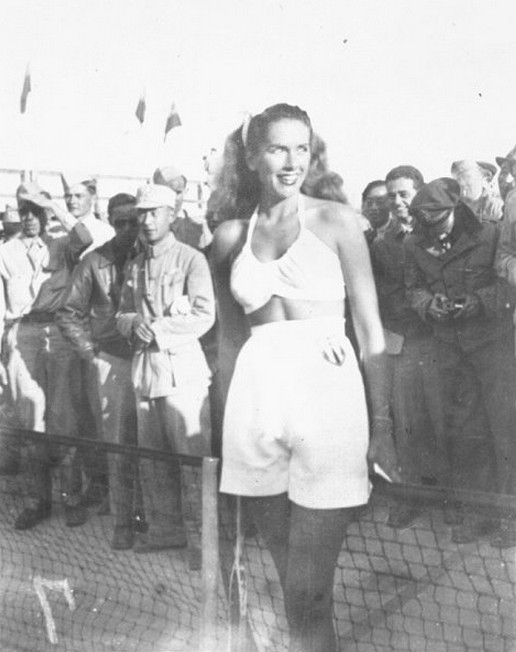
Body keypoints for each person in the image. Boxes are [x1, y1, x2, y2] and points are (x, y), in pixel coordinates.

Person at [211, 103, 399, 652]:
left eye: (301, 148)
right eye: (277, 148)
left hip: (328, 401)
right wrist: (224, 424)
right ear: (251, 157)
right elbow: (228, 339)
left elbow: (372, 335)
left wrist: (382, 425)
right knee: (292, 581)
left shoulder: (338, 222)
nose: (292, 161)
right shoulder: (227, 237)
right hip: (255, 404)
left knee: (307, 587)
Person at [404, 178, 516, 547]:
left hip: (494, 346)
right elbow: (413, 287)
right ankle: (480, 515)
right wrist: (427, 304)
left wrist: (478, 302)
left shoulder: (490, 234)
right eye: (425, 221)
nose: (432, 228)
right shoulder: (413, 242)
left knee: (506, 431)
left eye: (439, 219)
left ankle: (510, 518)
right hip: (450, 348)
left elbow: (507, 286)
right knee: (468, 434)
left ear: (455, 211)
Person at [116, 183, 215, 570]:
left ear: (172, 215)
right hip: (146, 374)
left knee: (193, 461)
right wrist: (131, 324)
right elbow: (122, 311)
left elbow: (205, 315)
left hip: (183, 376)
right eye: (142, 212)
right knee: (153, 460)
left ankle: (203, 540)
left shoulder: (191, 259)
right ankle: (166, 529)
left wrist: (155, 330)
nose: (146, 220)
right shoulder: (136, 263)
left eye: (154, 212)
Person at [0, 182, 93, 529]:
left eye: (36, 212)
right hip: (23, 333)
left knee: (64, 417)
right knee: (31, 419)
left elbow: (83, 237)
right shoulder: (5, 251)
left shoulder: (59, 245)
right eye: (24, 212)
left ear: (45, 214)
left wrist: (55, 207)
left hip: (58, 333)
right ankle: (40, 499)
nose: (29, 219)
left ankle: (71, 498)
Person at [57, 193, 143, 550]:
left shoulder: (151, 255)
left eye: (131, 221)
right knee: (118, 444)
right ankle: (123, 521)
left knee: (151, 444)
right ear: (108, 220)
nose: (126, 228)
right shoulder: (94, 261)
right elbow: (68, 312)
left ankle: (150, 516)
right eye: (118, 222)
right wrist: (91, 353)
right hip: (111, 359)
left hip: (150, 358)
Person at [371, 166, 446, 528]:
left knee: (445, 421)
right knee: (407, 426)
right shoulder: (383, 243)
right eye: (392, 196)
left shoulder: (440, 232)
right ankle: (409, 497)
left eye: (404, 194)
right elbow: (384, 296)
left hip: (441, 341)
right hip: (404, 343)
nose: (398, 202)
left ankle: (453, 499)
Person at [61, 172, 115, 510]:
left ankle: (108, 485)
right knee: (77, 414)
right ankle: (88, 483)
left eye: (78, 196)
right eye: (68, 196)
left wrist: (55, 209)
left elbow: (81, 240)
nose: (72, 201)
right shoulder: (61, 230)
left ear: (92, 198)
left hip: (95, 329)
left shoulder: (102, 231)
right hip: (69, 327)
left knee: (101, 414)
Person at [153, 166, 213, 250]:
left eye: (178, 192)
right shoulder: (147, 225)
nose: (172, 198)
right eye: (167, 192)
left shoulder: (198, 227)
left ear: (185, 192)